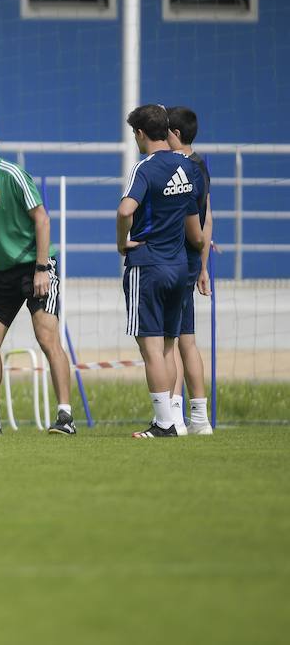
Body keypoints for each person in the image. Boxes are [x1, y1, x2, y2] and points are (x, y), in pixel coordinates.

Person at [0, 119, 76, 436]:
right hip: (0, 273)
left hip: (33, 266)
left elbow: (42, 218)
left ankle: (66, 416)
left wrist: (41, 267)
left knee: (47, 337)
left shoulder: (12, 175)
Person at [117, 104, 205, 439]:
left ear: (140, 133)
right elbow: (193, 224)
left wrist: (121, 242)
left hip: (148, 265)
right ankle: (177, 420)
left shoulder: (145, 168)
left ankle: (164, 422)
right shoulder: (188, 167)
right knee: (170, 345)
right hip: (179, 265)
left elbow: (126, 208)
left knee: (151, 348)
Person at [164, 106, 214, 435]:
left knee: (168, 342)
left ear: (176, 135)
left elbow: (195, 223)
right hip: (192, 260)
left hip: (175, 259)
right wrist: (204, 266)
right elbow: (208, 217)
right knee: (187, 341)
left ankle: (172, 418)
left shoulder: (181, 169)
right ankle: (199, 418)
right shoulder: (201, 165)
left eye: (165, 132)